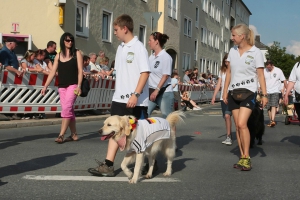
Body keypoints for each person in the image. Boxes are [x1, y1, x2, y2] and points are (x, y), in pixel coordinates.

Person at [87, 14, 150, 177]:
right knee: (114, 130)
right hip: (119, 98)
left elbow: (145, 73)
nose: (114, 33)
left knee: (139, 134)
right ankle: (108, 165)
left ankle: (148, 163)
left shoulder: (139, 48)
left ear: (125, 28)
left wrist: (136, 94)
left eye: (116, 30)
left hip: (136, 100)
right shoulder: (121, 47)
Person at [222, 24, 268, 171]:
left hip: (249, 92)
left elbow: (260, 74)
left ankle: (247, 157)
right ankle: (242, 157)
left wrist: (264, 94)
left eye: (234, 35)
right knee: (237, 125)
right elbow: (228, 72)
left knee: (242, 124)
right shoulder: (232, 51)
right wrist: (224, 91)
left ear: (242, 36)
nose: (232, 38)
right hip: (233, 92)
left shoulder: (256, 52)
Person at [41, 32, 83, 144]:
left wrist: (79, 86)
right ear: (63, 41)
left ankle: (61, 135)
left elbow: (80, 71)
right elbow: (52, 72)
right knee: (68, 110)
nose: (70, 42)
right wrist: (45, 86)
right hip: (62, 87)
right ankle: (74, 135)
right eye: (67, 40)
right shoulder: (58, 56)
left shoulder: (77, 53)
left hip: (73, 85)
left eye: (71, 40)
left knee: (66, 109)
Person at [147, 32, 174, 118]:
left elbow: (165, 75)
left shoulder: (165, 57)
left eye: (150, 40)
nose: (148, 42)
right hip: (152, 92)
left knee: (168, 118)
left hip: (163, 92)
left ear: (156, 42)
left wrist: (157, 90)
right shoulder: (151, 57)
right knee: (144, 114)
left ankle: (171, 132)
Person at [0, 37, 24, 120]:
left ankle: (11, 113)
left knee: (13, 95)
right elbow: (6, 65)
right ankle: (6, 113)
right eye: (15, 44)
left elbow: (15, 62)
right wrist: (16, 71)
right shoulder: (4, 52)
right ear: (10, 43)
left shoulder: (12, 52)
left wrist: (20, 67)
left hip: (12, 79)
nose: (17, 46)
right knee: (6, 95)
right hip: (7, 78)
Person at [211, 54, 232, 145]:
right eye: (225, 60)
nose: (226, 62)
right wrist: (214, 96)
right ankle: (229, 135)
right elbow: (219, 84)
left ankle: (235, 136)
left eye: (228, 60)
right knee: (226, 117)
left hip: (232, 96)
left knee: (228, 116)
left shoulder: (234, 70)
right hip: (223, 97)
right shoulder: (222, 71)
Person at [263, 60, 287, 127]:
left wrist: (287, 90)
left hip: (275, 90)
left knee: (273, 105)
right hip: (266, 91)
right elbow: (261, 80)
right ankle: (271, 120)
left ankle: (272, 120)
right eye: (267, 67)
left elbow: (284, 80)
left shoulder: (278, 70)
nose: (268, 68)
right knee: (268, 107)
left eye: (270, 67)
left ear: (272, 65)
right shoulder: (264, 71)